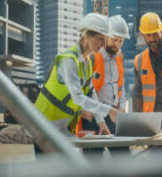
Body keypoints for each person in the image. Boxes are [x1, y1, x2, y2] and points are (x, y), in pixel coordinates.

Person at [35, 13, 119, 142]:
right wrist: (109, 110)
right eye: (100, 39)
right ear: (86, 36)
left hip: (63, 128)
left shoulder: (87, 62)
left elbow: (91, 93)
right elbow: (78, 98)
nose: (103, 44)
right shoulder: (68, 60)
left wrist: (101, 122)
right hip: (44, 126)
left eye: (104, 40)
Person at [80, 15, 130, 156]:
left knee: (123, 155)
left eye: (121, 41)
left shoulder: (119, 56)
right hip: (93, 115)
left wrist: (121, 107)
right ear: (106, 36)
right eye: (115, 39)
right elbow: (87, 90)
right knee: (94, 159)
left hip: (113, 113)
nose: (117, 44)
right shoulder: (93, 55)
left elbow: (120, 85)